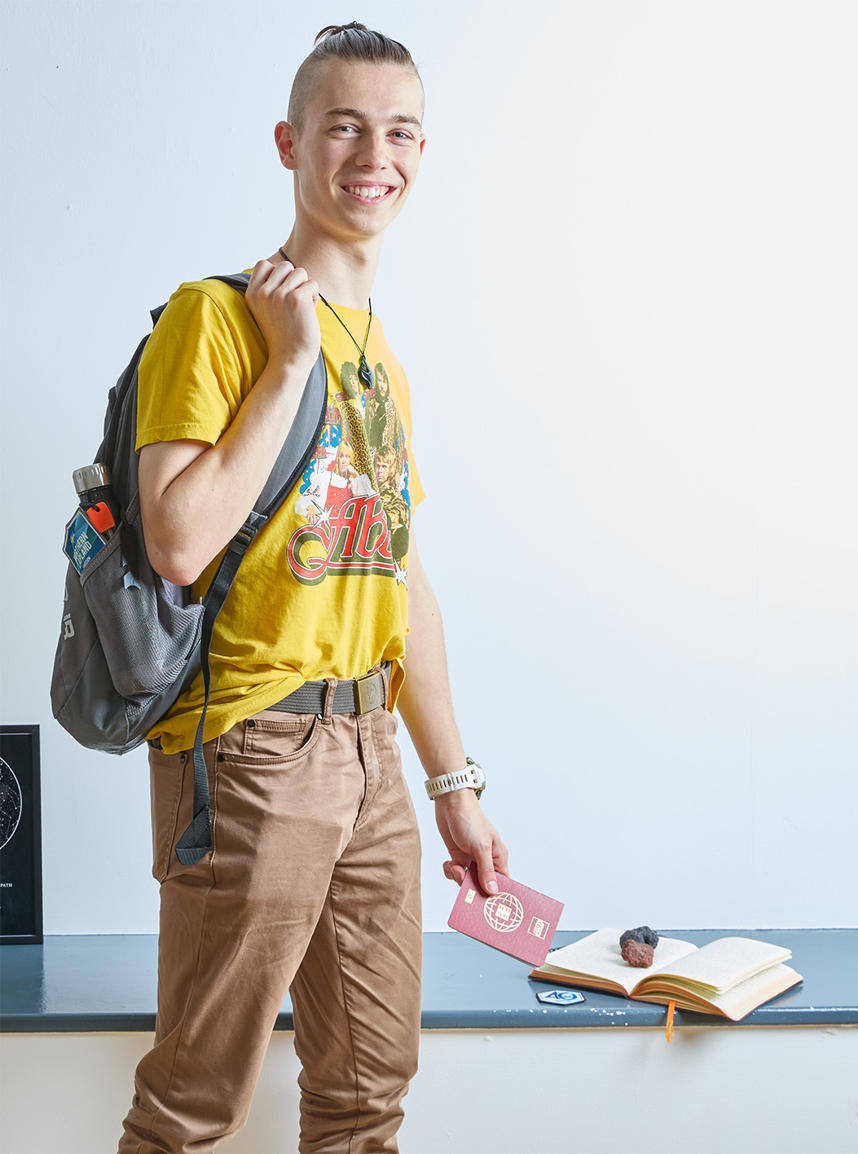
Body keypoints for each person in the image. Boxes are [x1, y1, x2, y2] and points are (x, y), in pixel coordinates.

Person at [118, 22, 508, 1154]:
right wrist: (287, 364)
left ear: (420, 155)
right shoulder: (220, 316)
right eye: (342, 124)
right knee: (194, 1101)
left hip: (370, 752)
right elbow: (178, 539)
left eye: (394, 130)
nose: (368, 152)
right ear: (290, 142)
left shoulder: (380, 352)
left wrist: (453, 779)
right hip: (251, 748)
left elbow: (401, 581)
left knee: (366, 1089)